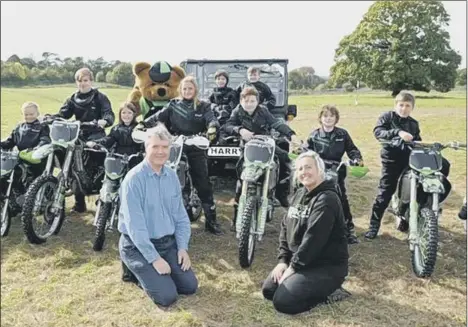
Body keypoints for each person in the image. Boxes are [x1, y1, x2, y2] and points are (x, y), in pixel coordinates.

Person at [118, 125, 198, 307]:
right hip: (137, 245)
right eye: (155, 147)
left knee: (190, 286)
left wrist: (182, 248)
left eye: (165, 147)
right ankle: (132, 268)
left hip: (166, 243)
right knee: (167, 296)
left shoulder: (171, 176)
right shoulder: (133, 180)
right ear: (146, 148)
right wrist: (154, 259)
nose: (160, 152)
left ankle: (154, 272)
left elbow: (181, 217)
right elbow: (135, 227)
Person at [261, 151, 350, 315]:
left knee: (283, 302)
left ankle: (330, 292)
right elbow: (285, 227)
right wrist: (283, 261)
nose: (304, 172)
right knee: (268, 290)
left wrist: (292, 268)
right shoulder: (300, 193)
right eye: (300, 169)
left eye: (308, 167)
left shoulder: (327, 199)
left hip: (325, 266)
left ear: (320, 170)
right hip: (302, 262)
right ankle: (301, 283)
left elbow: (313, 240)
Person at [142, 75, 223, 235]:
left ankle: (211, 221)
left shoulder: (203, 106)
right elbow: (158, 117)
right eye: (184, 88)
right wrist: (142, 124)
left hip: (196, 144)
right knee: (171, 178)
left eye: (190, 88)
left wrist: (213, 126)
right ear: (180, 90)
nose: (187, 91)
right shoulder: (173, 104)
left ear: (195, 90)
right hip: (175, 145)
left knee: (202, 183)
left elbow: (211, 119)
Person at [365, 91, 451, 240]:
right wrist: (398, 132)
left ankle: (414, 214)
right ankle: (374, 225)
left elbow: (417, 141)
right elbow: (378, 132)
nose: (403, 108)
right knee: (385, 192)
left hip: (410, 160)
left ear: (412, 108)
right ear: (396, 105)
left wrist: (429, 147)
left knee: (429, 176)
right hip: (391, 160)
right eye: (401, 105)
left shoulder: (413, 123)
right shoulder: (387, 117)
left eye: (407, 106)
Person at [224, 87, 297, 230]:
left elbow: (276, 123)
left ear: (257, 101)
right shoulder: (237, 111)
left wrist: (291, 134)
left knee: (284, 159)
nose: (249, 103)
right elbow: (227, 125)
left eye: (252, 101)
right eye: (246, 101)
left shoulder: (263, 110)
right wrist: (240, 130)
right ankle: (237, 216)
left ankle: (281, 193)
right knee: (241, 177)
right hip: (247, 147)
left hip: (265, 144)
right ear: (241, 101)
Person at [49, 67, 115, 213]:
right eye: (79, 81)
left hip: (96, 134)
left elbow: (108, 114)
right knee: (72, 164)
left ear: (91, 81)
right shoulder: (73, 98)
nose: (82, 84)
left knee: (98, 160)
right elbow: (63, 114)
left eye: (85, 80)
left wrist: (104, 121)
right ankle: (79, 203)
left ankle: (102, 196)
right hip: (77, 134)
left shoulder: (100, 97)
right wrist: (50, 118)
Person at [307, 105, 363, 244]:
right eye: (325, 116)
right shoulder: (314, 135)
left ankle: (349, 230)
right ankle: (307, 226)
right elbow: (306, 151)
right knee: (309, 197)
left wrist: (356, 159)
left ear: (336, 118)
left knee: (341, 198)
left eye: (331, 116)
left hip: (337, 170)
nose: (328, 119)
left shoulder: (342, 134)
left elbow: (352, 149)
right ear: (320, 118)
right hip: (318, 170)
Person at [1, 101, 51, 195]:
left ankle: (38, 197)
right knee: (7, 176)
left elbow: (45, 140)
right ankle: (13, 197)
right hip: (20, 158)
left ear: (37, 113)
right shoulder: (19, 127)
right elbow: (10, 141)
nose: (28, 116)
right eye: (26, 114)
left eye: (31, 114)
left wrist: (36, 149)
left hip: (36, 159)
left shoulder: (42, 127)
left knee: (32, 181)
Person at [86, 101, 144, 168]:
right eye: (124, 113)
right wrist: (95, 143)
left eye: (129, 113)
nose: (126, 115)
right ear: (120, 114)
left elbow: (144, 144)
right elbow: (108, 139)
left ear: (134, 114)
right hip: (118, 160)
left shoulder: (139, 128)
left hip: (134, 161)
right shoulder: (116, 129)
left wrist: (142, 153)